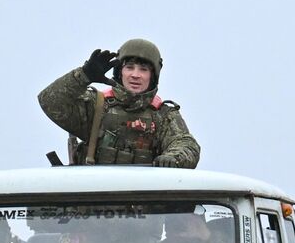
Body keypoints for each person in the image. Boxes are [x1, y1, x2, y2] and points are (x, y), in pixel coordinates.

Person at [37, 38, 201, 168]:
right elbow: (50, 102)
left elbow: (187, 145)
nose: (135, 75)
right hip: (93, 203)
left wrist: (173, 159)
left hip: (144, 206)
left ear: (153, 76)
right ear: (119, 72)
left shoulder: (163, 115)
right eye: (129, 67)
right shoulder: (98, 105)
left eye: (143, 69)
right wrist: (83, 76)